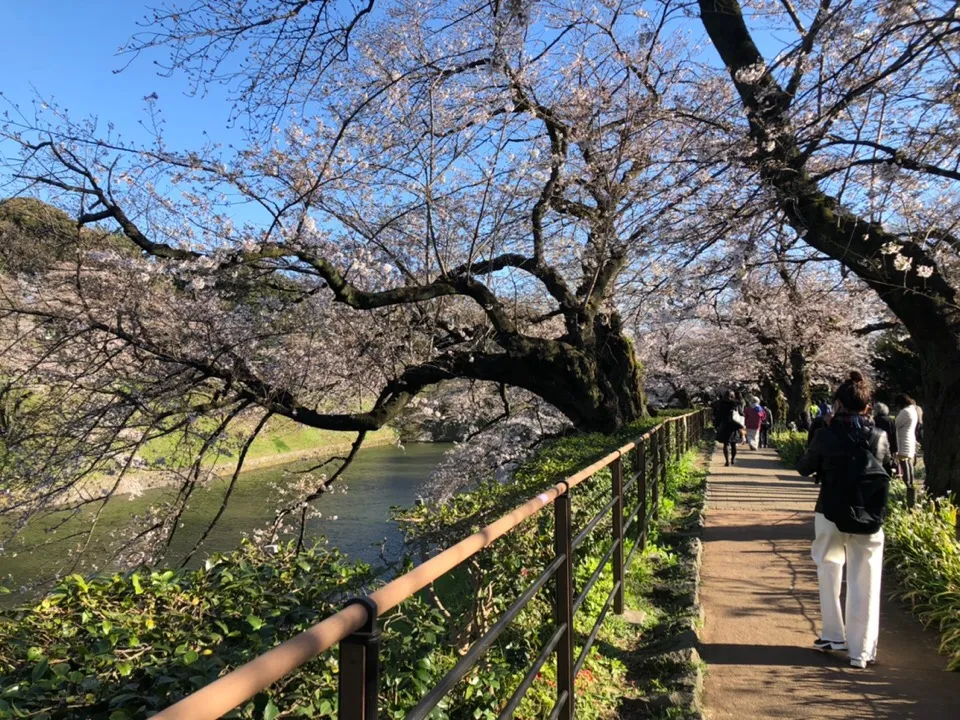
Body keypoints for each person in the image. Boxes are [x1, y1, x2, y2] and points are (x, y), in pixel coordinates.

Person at [797, 371, 891, 669]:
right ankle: (861, 650)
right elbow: (887, 467)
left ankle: (833, 635)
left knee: (829, 569)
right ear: (868, 406)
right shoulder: (879, 435)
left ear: (836, 403)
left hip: (830, 511)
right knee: (867, 579)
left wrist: (818, 433)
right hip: (869, 515)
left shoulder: (826, 433)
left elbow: (804, 468)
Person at [894, 393, 920, 504]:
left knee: (905, 464)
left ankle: (908, 486)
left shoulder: (905, 412)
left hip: (903, 440)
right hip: (909, 440)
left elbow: (896, 423)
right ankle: (911, 485)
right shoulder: (913, 410)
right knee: (908, 464)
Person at [712, 390, 743, 467]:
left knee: (726, 444)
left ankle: (727, 461)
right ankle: (732, 459)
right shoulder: (736, 404)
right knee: (734, 444)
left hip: (725, 425)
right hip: (734, 426)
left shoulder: (721, 404)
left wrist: (716, 424)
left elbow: (718, 415)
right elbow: (741, 413)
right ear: (733, 396)